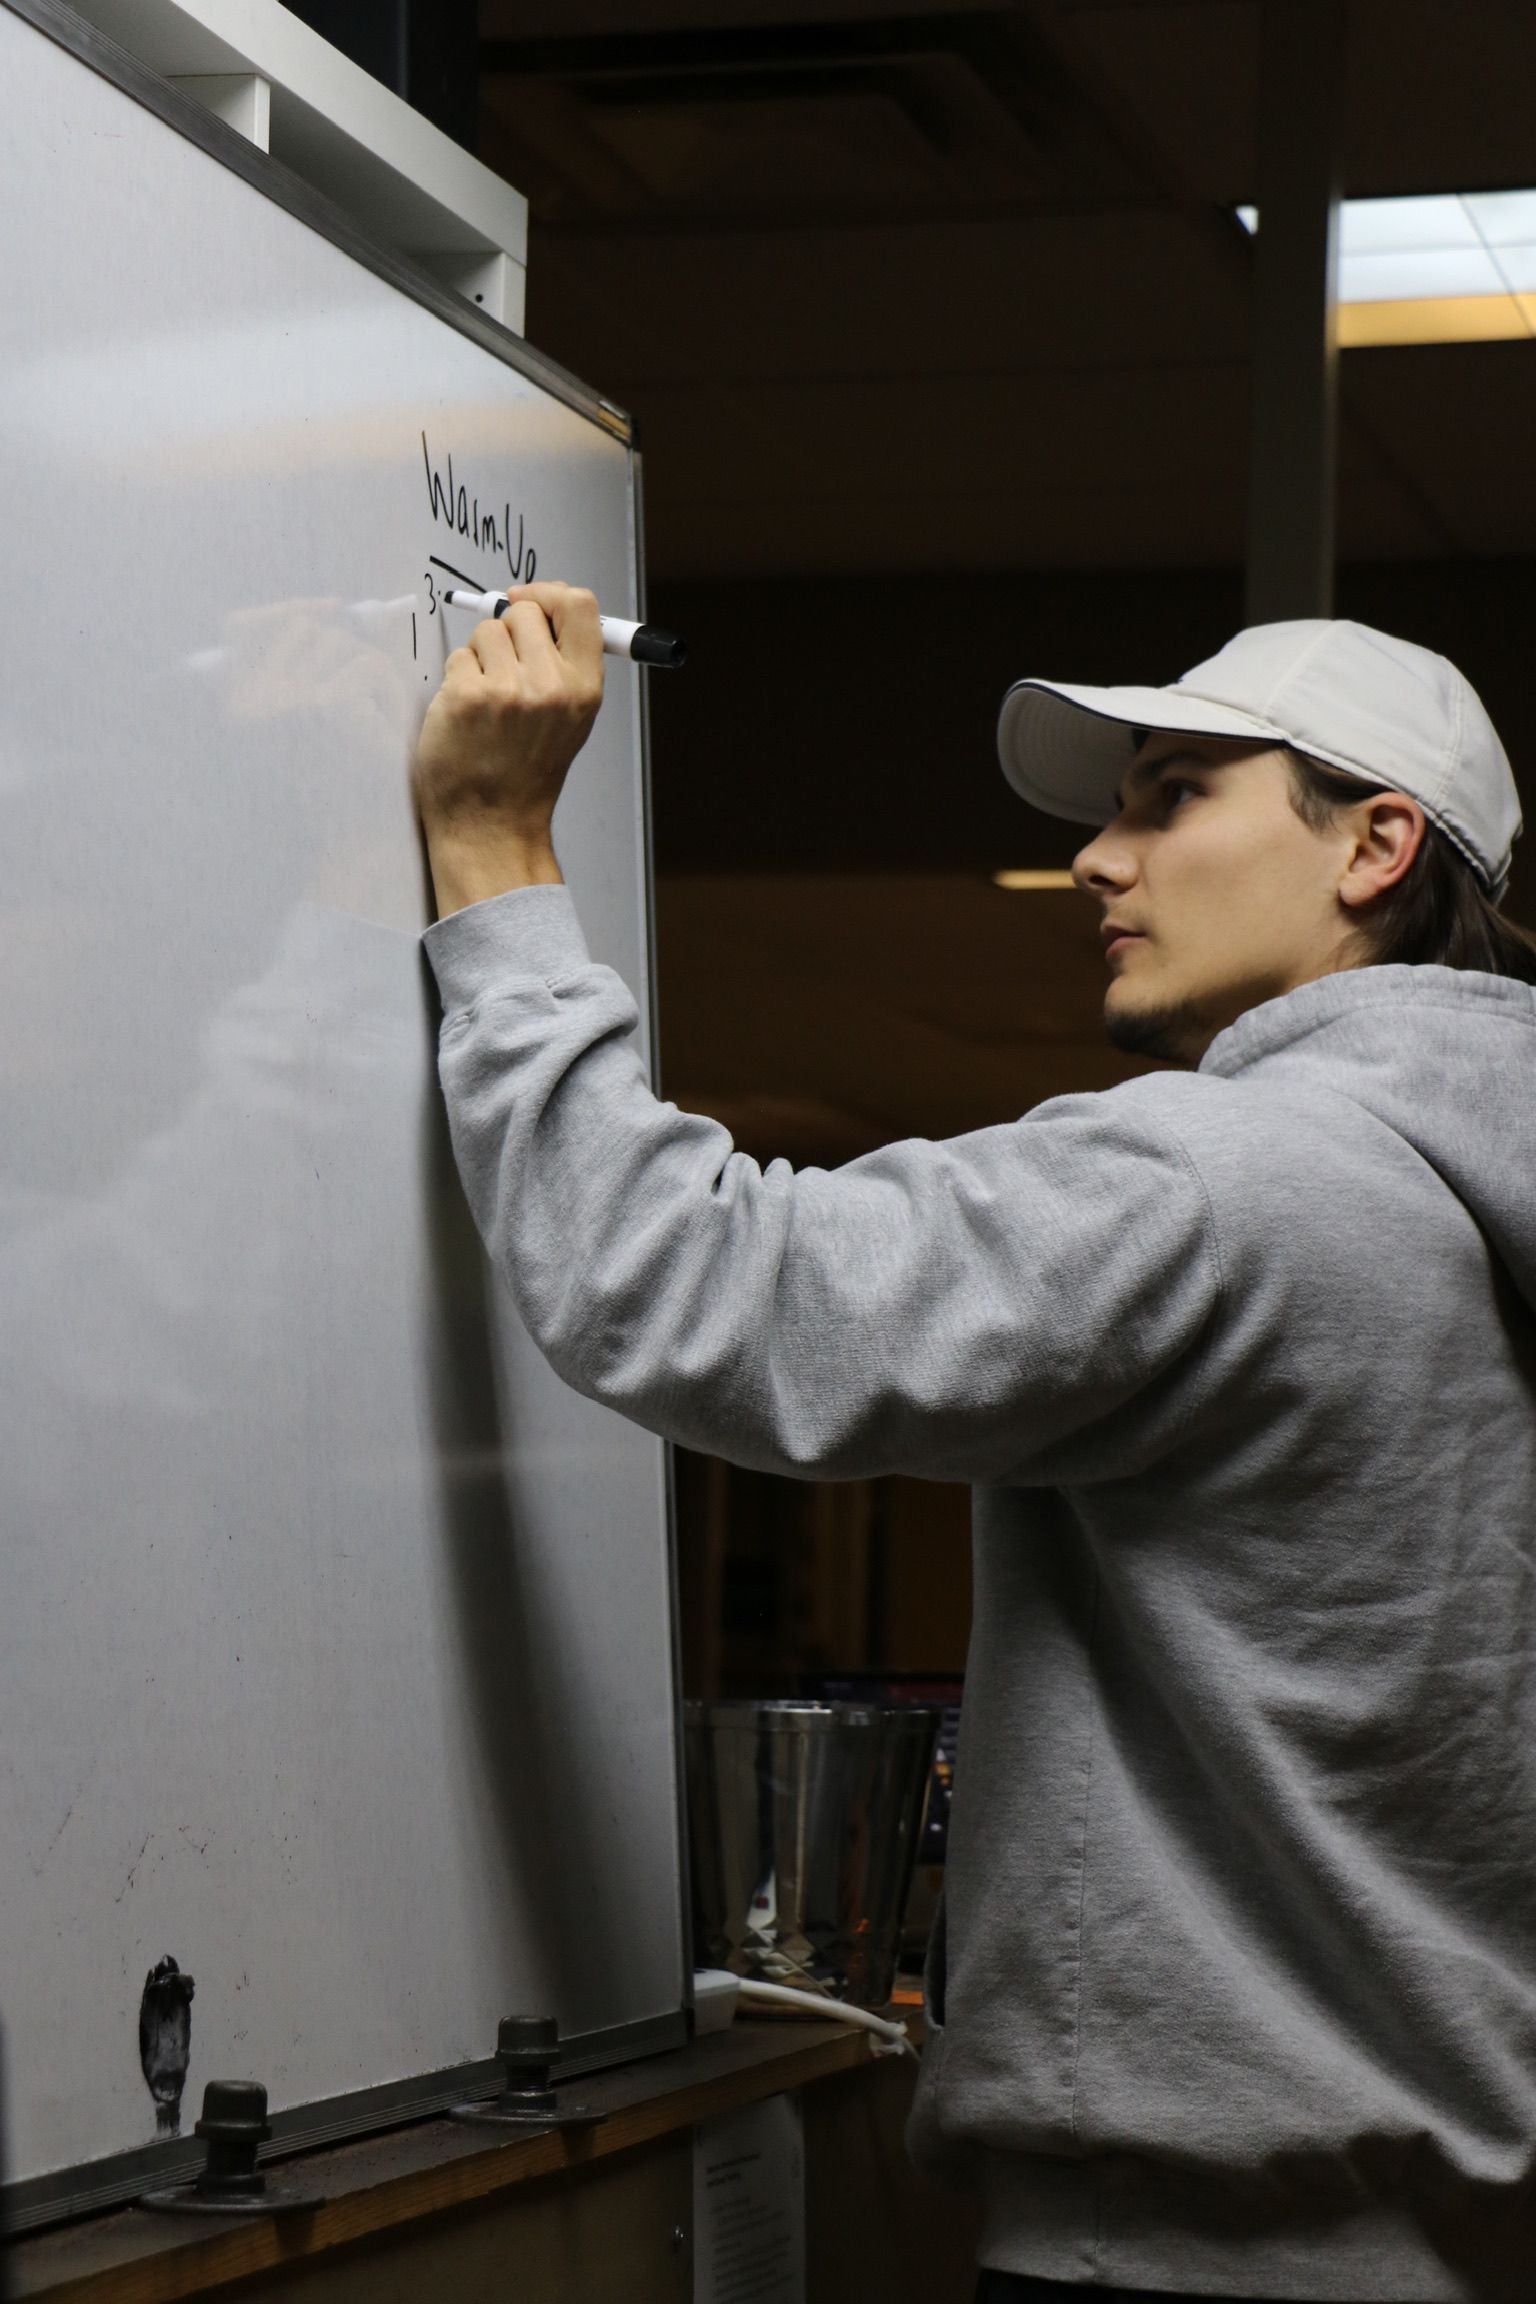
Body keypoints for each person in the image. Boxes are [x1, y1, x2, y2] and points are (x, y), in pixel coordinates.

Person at [412, 595, 1536, 2304]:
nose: (1100, 858)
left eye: (1170, 798)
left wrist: (495, 859)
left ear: (1376, 846)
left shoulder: (1227, 1185)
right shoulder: (1477, 1208)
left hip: (1185, 2263)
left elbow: (693, 1286)